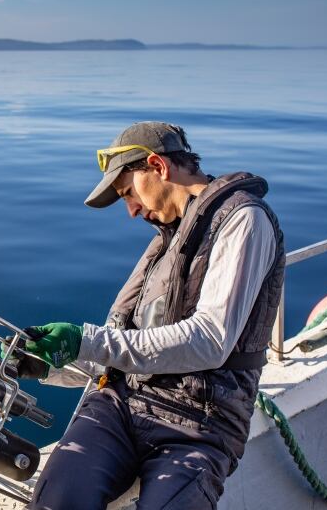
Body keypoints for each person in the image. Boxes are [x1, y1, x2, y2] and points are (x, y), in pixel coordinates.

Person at [16, 122, 285, 509]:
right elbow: (121, 345)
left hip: (200, 425)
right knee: (57, 500)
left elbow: (210, 340)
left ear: (157, 166)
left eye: (128, 193)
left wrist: (84, 339)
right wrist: (48, 366)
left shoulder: (244, 220)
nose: (131, 211)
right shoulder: (164, 244)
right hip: (121, 405)